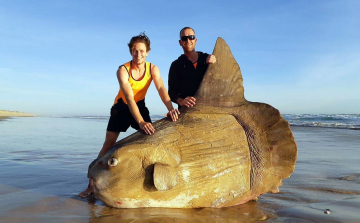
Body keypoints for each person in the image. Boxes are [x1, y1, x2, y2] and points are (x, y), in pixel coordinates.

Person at [79, 33, 180, 198]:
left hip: (139, 105)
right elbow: (129, 98)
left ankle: (142, 180)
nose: (138, 54)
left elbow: (161, 89)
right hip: (121, 106)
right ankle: (91, 185)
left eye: (141, 51)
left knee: (150, 138)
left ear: (147, 52)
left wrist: (171, 108)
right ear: (130, 51)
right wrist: (140, 121)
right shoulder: (123, 70)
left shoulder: (153, 68)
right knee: (108, 144)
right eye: (134, 51)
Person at [168, 27, 216, 109]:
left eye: (191, 37)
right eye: (184, 38)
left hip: (209, 108)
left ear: (195, 40)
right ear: (180, 42)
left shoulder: (208, 59)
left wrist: (216, 63)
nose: (188, 41)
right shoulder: (176, 65)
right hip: (187, 111)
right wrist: (181, 101)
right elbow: (172, 92)